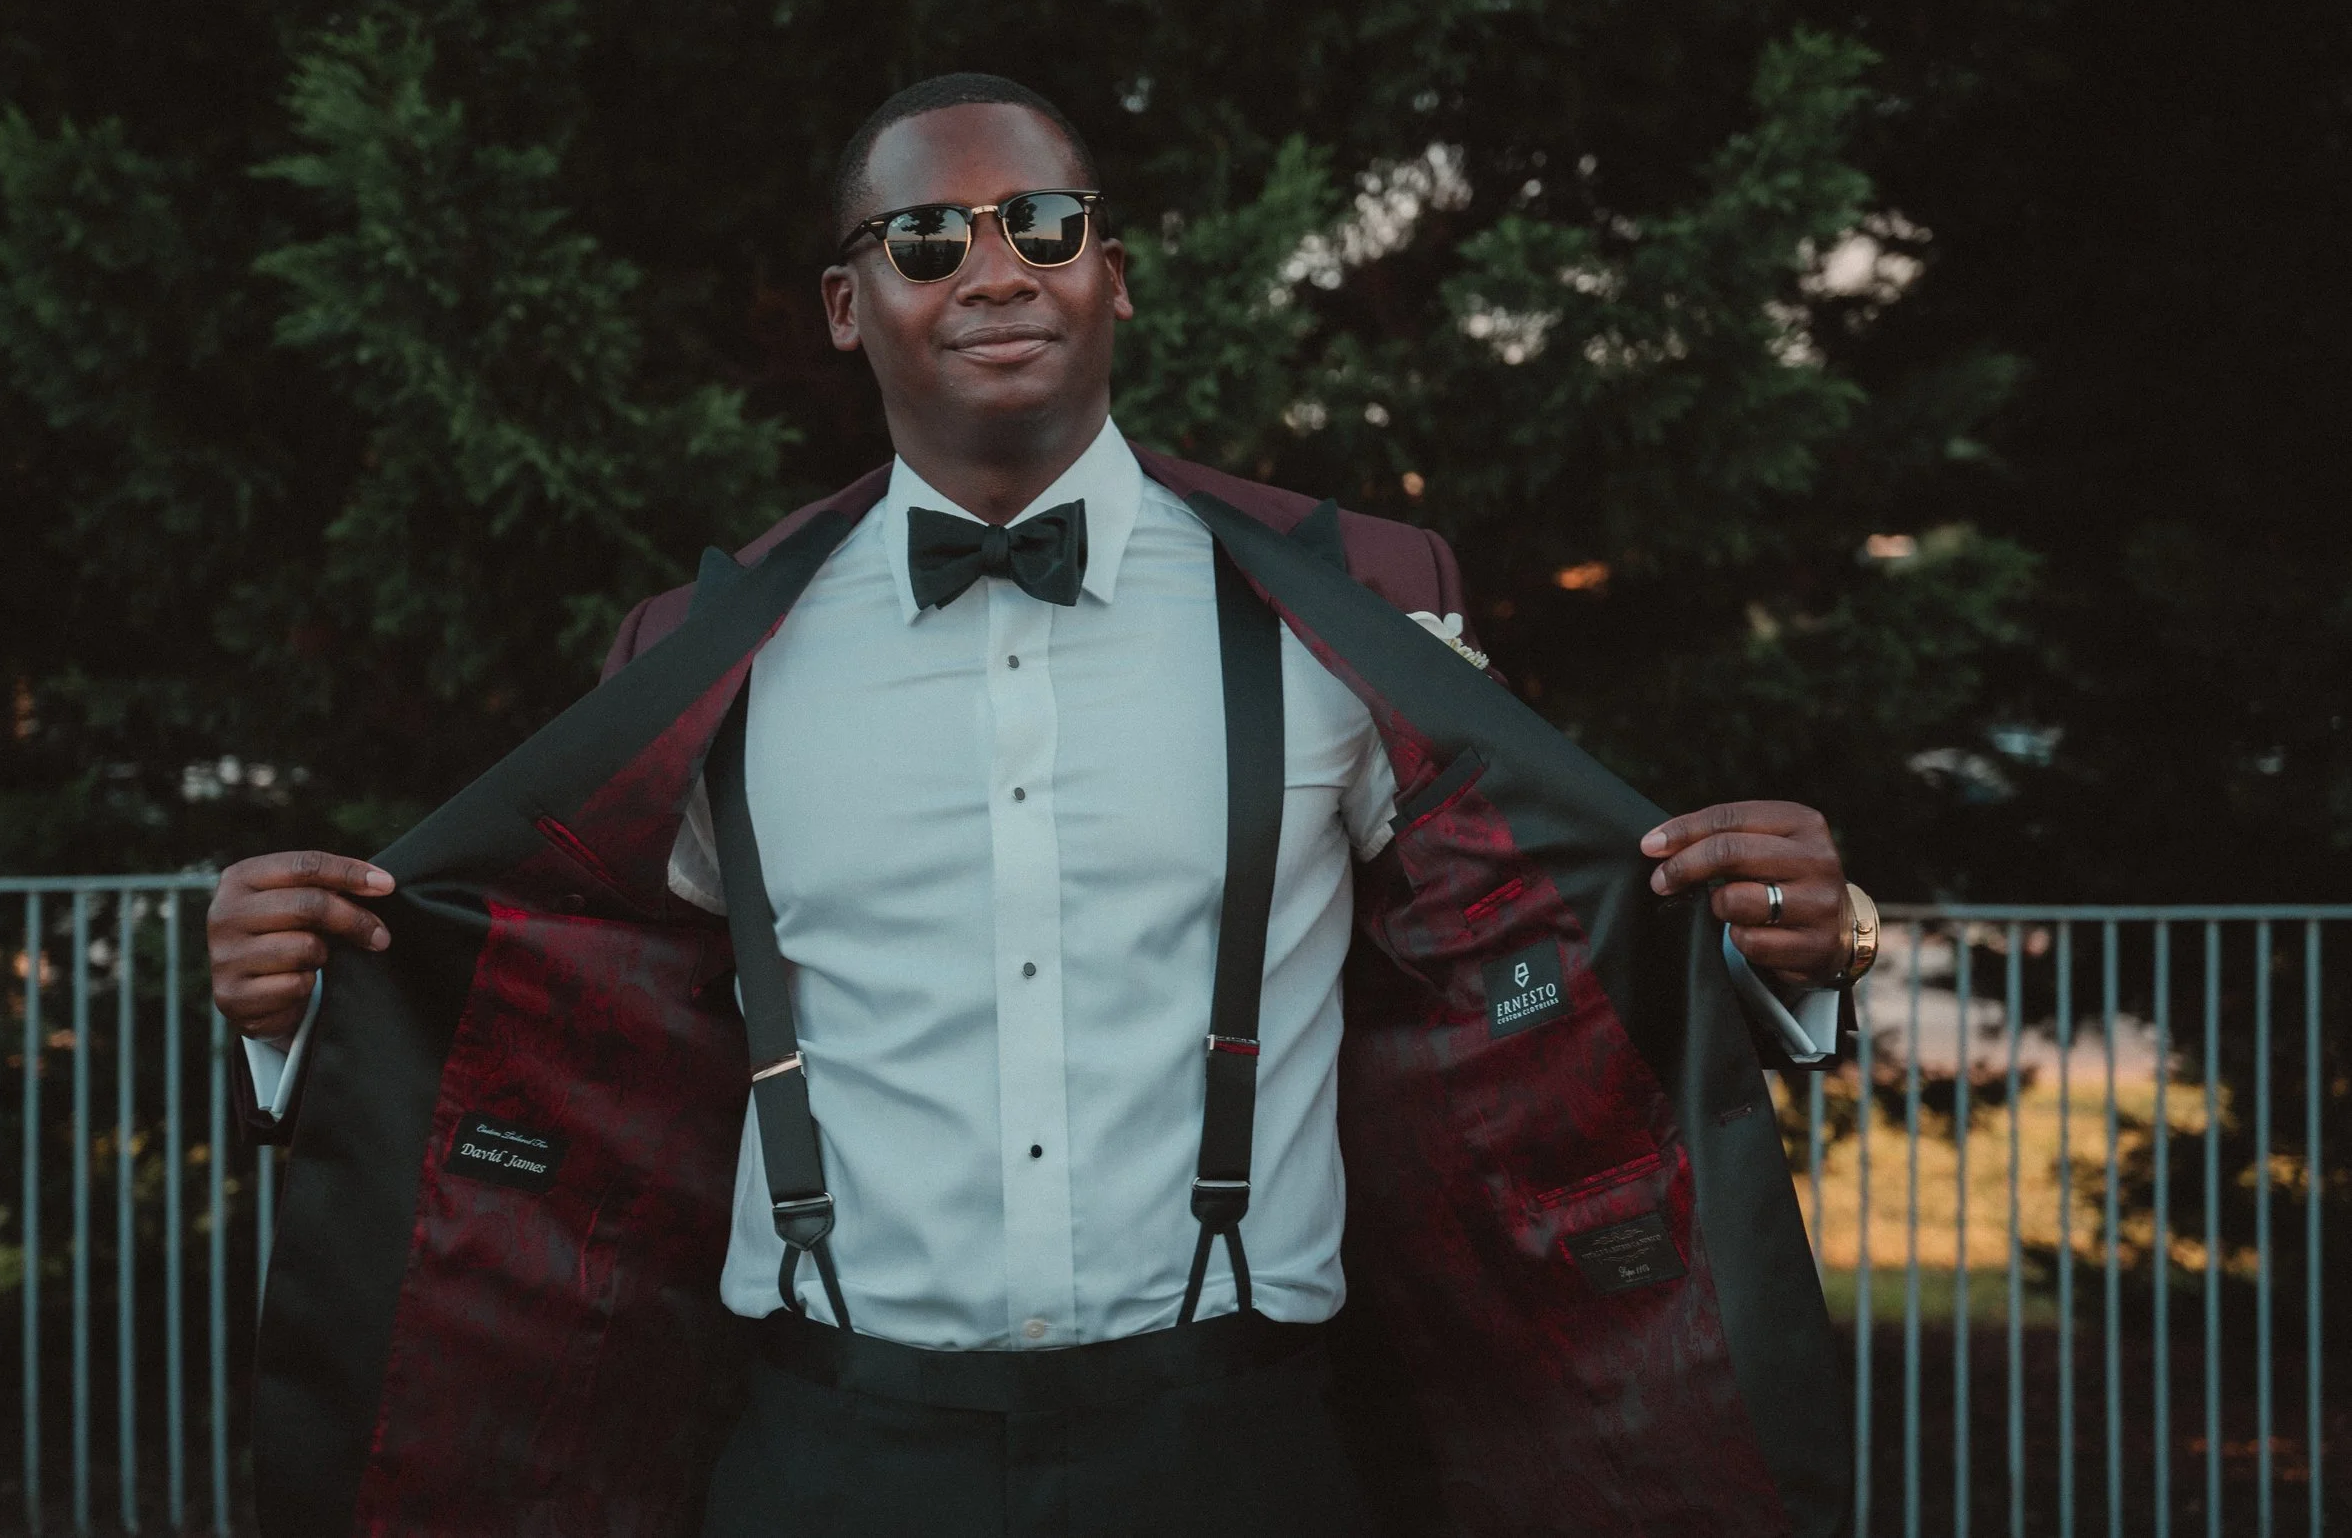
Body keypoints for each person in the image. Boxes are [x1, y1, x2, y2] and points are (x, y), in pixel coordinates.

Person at [209, 74, 1873, 1538]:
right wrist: (311, 1003)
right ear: (849, 304)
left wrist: (1795, 950)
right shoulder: (709, 656)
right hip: (833, 1450)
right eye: (927, 235)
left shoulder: (1356, 615)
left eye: (1047, 222)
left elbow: (1529, 979)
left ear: (1114, 274)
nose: (996, 267)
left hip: (1237, 1445)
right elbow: (569, 1023)